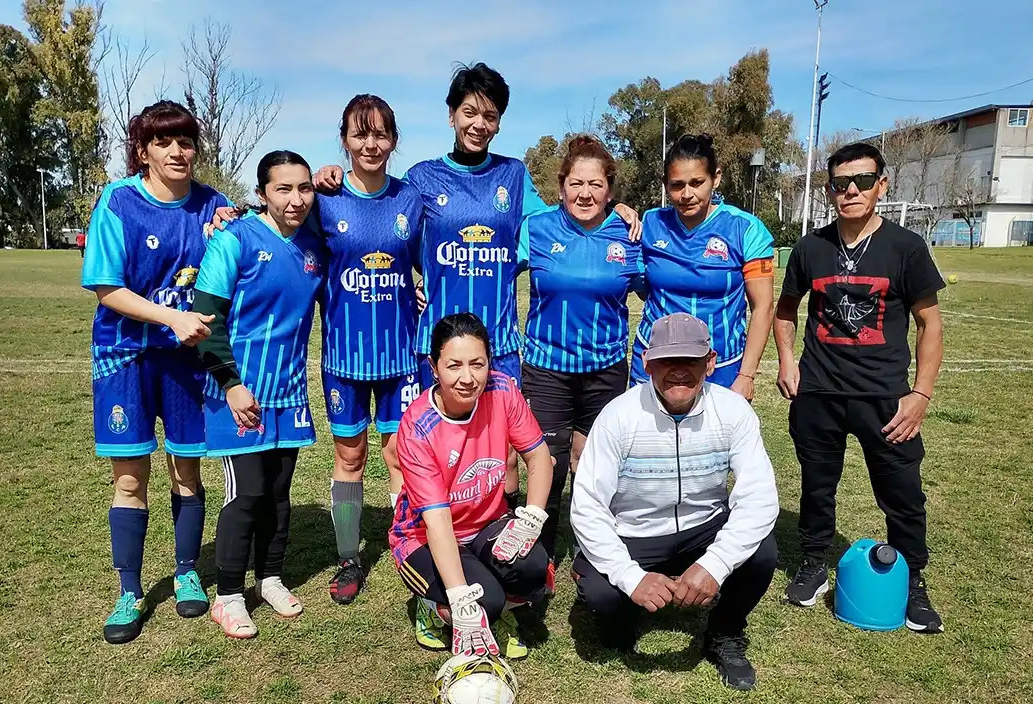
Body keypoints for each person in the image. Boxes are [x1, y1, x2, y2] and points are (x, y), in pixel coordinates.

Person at [313, 63, 642, 504]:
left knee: (502, 453)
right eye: (470, 112)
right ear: (451, 115)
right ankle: (435, 533)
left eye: (489, 115)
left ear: (499, 122)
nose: (479, 124)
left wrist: (614, 204)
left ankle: (499, 535)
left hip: (499, 342)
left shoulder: (514, 174)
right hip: (436, 342)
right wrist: (326, 179)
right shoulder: (422, 179)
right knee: (431, 448)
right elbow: (380, 224)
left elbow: (562, 216)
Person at [774, 142, 946, 633]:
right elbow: (786, 310)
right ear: (829, 190)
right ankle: (812, 564)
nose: (851, 191)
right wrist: (787, 363)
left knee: (903, 494)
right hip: (819, 394)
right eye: (841, 183)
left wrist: (920, 394)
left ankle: (912, 581)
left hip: (885, 399)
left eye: (863, 181)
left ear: (881, 186)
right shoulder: (811, 247)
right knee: (816, 488)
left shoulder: (906, 247)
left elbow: (929, 324)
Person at [80, 100, 231, 644]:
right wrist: (171, 316)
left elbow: (261, 239)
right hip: (126, 357)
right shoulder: (119, 202)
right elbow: (106, 287)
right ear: (142, 151)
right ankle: (128, 589)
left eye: (186, 141)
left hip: (188, 364)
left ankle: (188, 572)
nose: (177, 151)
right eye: (163, 142)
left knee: (186, 472)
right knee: (129, 478)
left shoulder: (215, 206)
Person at [570, 313, 779, 691]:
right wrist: (631, 578)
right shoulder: (618, 416)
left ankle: (724, 633)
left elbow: (760, 498)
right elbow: (587, 507)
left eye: (691, 361)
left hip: (703, 529)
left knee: (762, 551)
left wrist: (715, 564)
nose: (679, 372)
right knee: (602, 596)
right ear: (647, 362)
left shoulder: (734, 412)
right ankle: (629, 611)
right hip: (635, 534)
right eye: (667, 361)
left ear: (710, 362)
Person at [193, 151, 326, 638]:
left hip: (287, 392)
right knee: (246, 493)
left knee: (278, 493)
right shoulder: (235, 239)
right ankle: (227, 595)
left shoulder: (314, 247)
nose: (296, 199)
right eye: (283, 189)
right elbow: (205, 320)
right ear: (262, 193)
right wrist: (231, 384)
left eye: (304, 188)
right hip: (238, 393)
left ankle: (269, 577)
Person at [517, 134, 644, 592]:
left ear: (610, 190)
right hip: (546, 368)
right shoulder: (537, 229)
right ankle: (539, 557)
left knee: (591, 467)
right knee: (545, 466)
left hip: (606, 369)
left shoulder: (629, 234)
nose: (584, 193)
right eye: (575, 183)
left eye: (595, 184)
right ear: (561, 186)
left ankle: (592, 553)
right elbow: (485, 267)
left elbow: (659, 288)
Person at [390, 313, 554, 660]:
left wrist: (533, 518)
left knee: (532, 568)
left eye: (478, 364)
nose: (468, 378)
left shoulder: (503, 390)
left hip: (484, 523)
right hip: (422, 537)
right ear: (434, 367)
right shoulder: (418, 427)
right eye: (454, 366)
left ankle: (497, 610)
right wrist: (459, 597)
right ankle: (433, 609)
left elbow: (539, 458)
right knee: (485, 602)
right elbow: (436, 523)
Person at [314, 95, 425, 605]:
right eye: (361, 134)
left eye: (381, 134)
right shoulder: (324, 201)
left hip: (402, 355)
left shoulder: (411, 199)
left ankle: (407, 545)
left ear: (394, 140)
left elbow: (436, 259)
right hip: (345, 356)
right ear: (344, 140)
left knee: (400, 455)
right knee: (350, 455)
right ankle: (348, 556)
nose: (372, 144)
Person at [630, 134, 775, 401]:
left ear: (715, 178)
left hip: (720, 365)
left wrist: (746, 376)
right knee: (648, 442)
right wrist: (618, 208)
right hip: (656, 362)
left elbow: (763, 307)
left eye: (697, 183)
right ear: (665, 185)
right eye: (677, 185)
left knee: (714, 443)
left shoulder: (746, 229)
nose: (687, 194)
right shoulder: (649, 223)